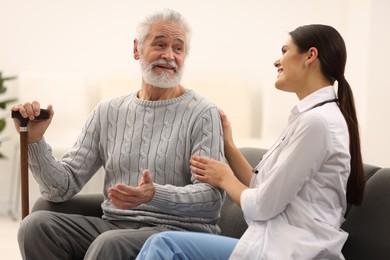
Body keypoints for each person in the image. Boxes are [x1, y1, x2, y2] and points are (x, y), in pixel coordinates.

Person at [135, 24, 366, 259]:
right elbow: (263, 186)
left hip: (294, 251)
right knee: (161, 244)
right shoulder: (310, 117)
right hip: (275, 245)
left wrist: (225, 179)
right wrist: (229, 145)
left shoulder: (317, 123)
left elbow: (263, 206)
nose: (277, 61)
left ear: (310, 56)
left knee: (164, 245)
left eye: (285, 51)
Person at [12, 8, 225, 260]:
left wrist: (155, 194)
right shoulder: (108, 112)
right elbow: (61, 188)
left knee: (110, 243)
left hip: (174, 234)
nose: (169, 56)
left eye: (178, 49)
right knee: (34, 227)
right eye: (160, 44)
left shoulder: (203, 113)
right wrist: (35, 141)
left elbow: (211, 200)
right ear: (137, 49)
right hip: (114, 226)